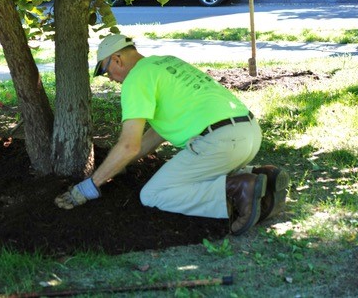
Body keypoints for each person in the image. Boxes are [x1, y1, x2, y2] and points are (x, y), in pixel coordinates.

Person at [55, 34, 289, 235]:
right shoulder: (164, 64)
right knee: (195, 176)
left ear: (117, 59)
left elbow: (129, 145)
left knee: (153, 194)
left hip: (220, 142)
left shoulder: (135, 79)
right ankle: (261, 178)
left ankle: (238, 187)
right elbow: (155, 135)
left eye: (106, 71)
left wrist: (88, 187)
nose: (110, 79)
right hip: (247, 133)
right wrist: (121, 165)